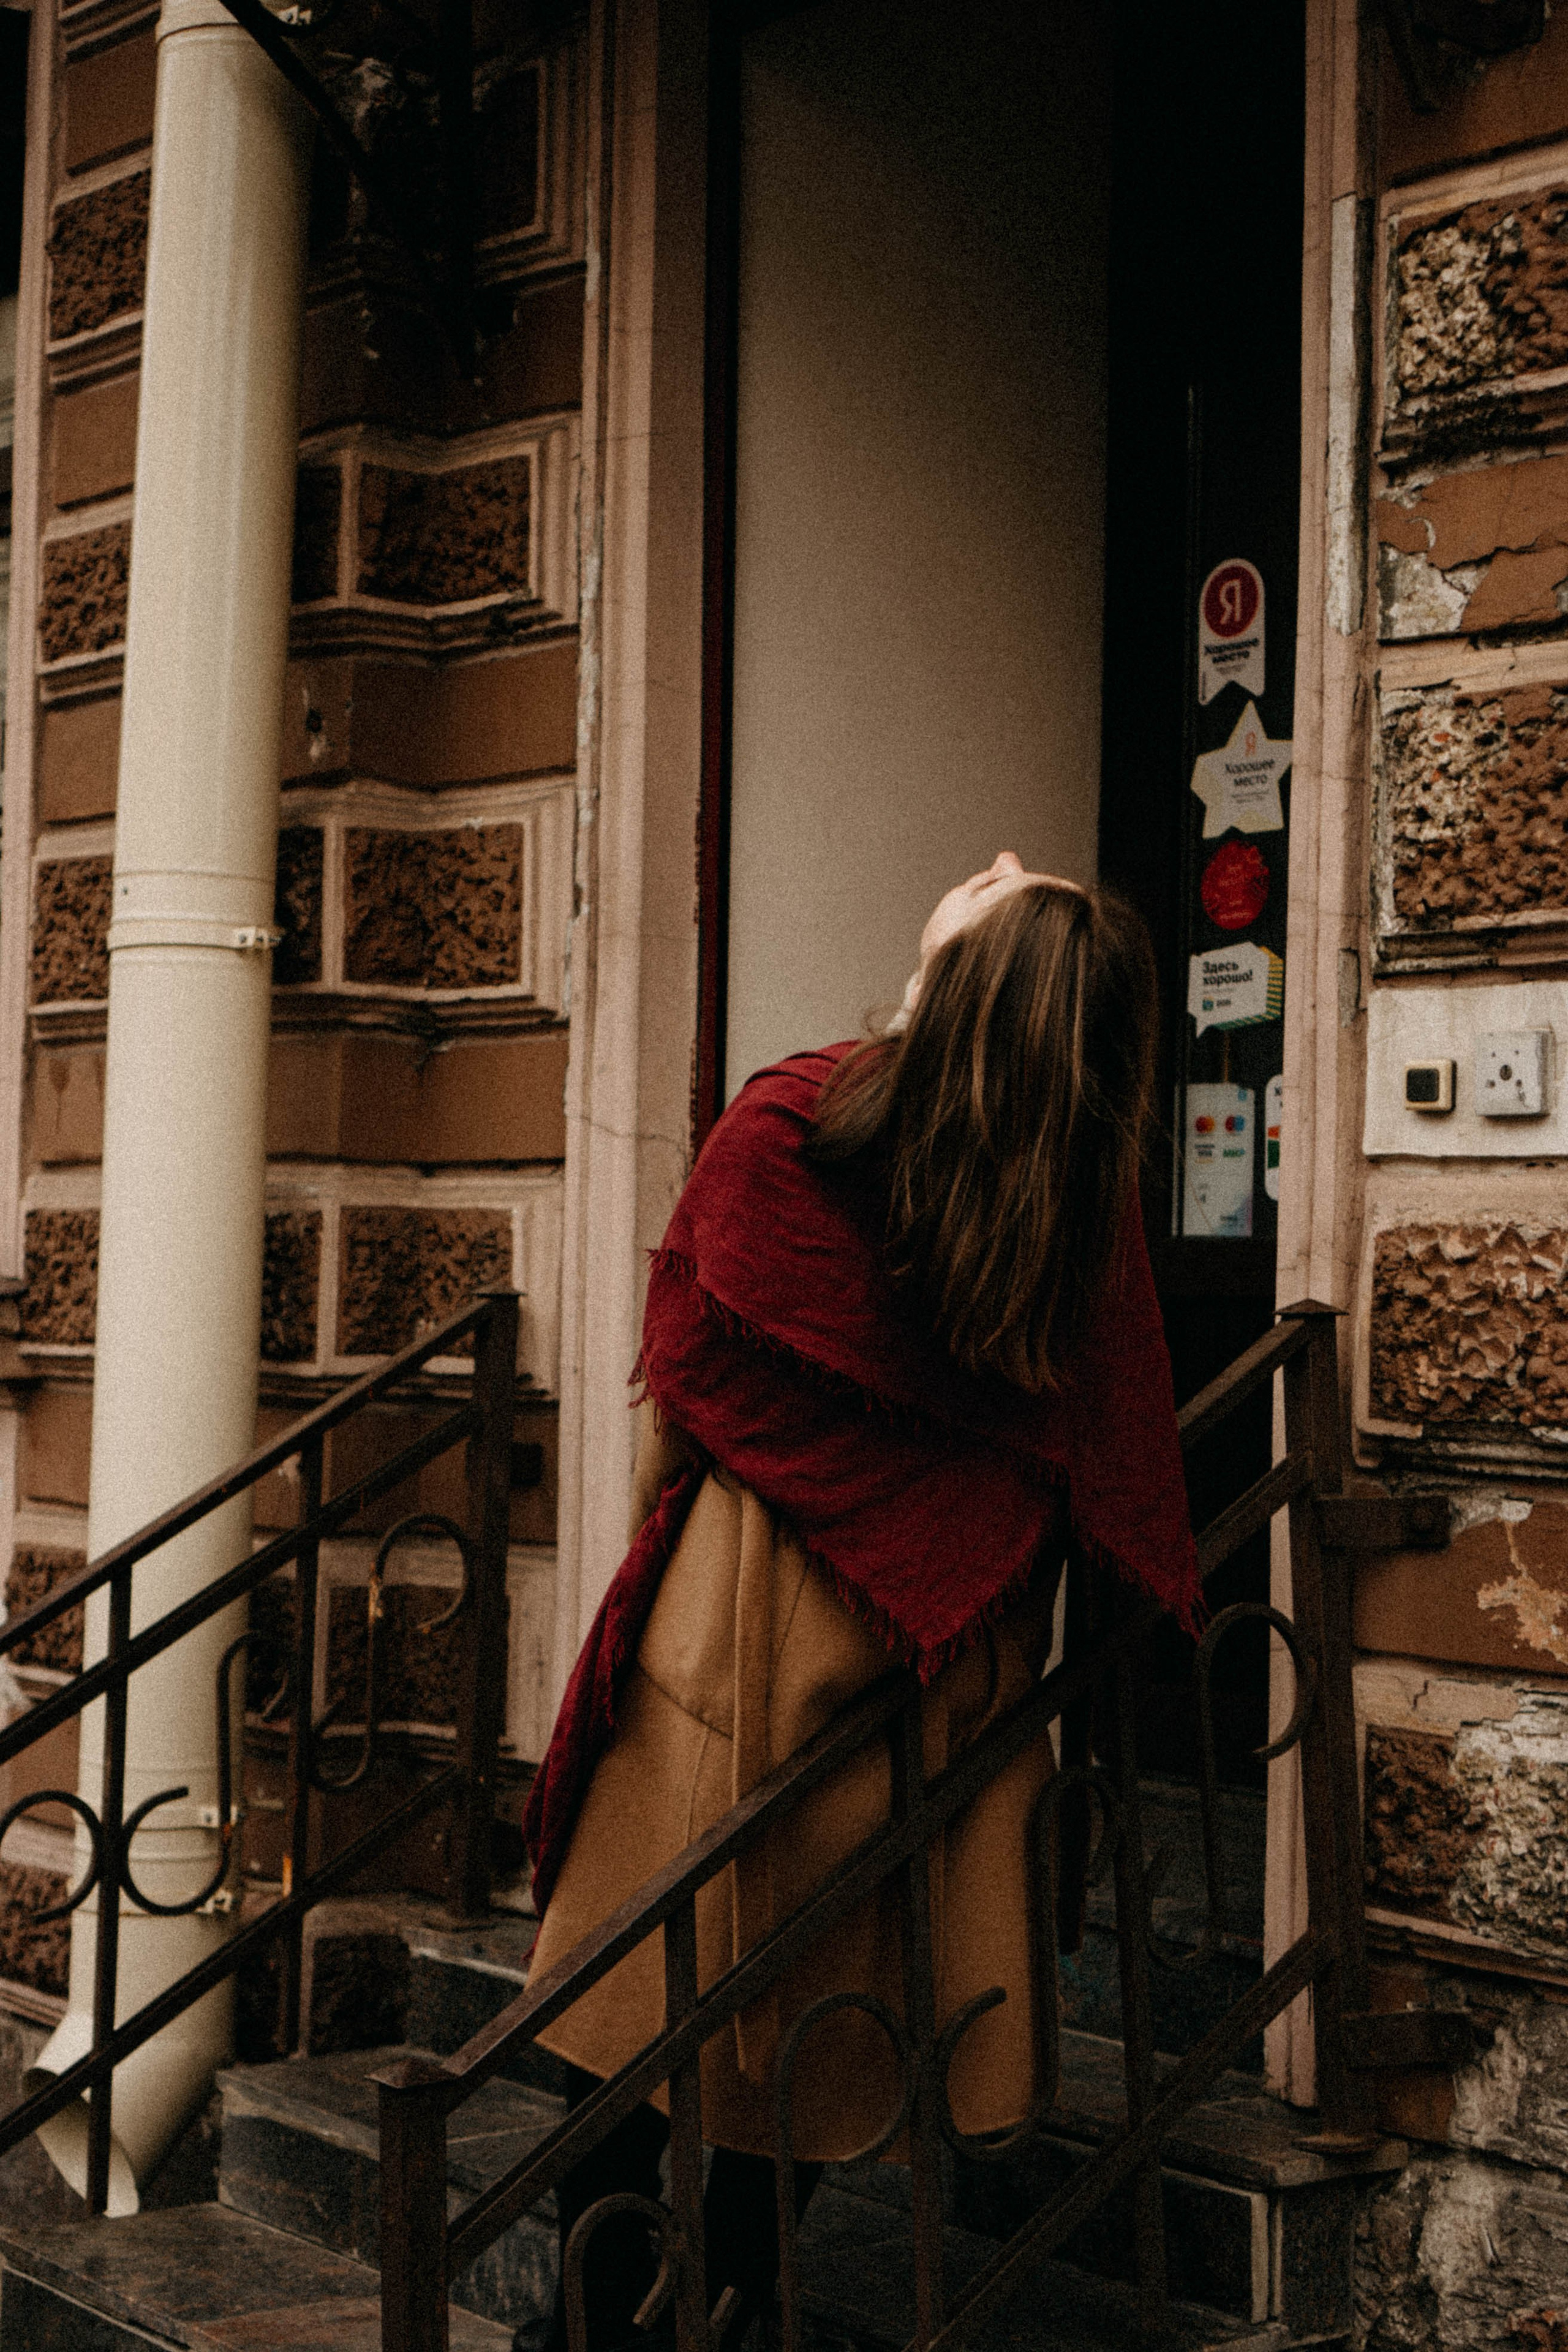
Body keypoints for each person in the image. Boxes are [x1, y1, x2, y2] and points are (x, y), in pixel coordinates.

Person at [522, 853, 1199, 2352]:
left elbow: (683, 1394)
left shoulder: (795, 1129)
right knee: (812, 2036)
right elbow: (1106, 1462)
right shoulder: (1072, 1213)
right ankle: (726, 2308)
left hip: (746, 1627)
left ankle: (599, 2325)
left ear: (954, 992)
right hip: (936, 1671)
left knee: (646, 2018)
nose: (992, 870)